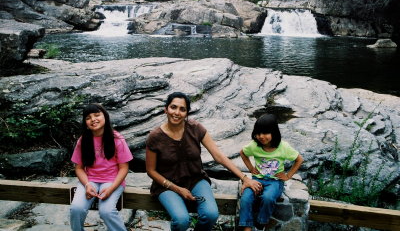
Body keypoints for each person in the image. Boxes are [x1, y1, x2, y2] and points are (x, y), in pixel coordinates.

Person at [146, 92, 262, 231]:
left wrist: (244, 178)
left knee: (211, 214)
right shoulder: (155, 136)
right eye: (173, 107)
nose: (177, 112)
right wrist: (177, 189)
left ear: (187, 112)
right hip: (167, 185)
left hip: (196, 180)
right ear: (166, 109)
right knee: (182, 220)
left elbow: (218, 155)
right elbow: (151, 170)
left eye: (182, 109)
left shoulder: (195, 128)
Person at [70, 103, 133, 231]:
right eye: (88, 117)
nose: (93, 119)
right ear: (85, 122)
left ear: (105, 116)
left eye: (97, 115)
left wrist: (111, 188)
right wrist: (87, 184)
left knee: (107, 212)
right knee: (76, 208)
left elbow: (124, 168)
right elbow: (79, 168)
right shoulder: (83, 141)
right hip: (90, 181)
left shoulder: (117, 139)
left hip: (112, 181)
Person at [238, 114, 304, 231]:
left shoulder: (283, 147)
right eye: (258, 133)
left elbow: (299, 159)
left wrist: (288, 175)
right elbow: (242, 153)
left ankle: (261, 223)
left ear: (274, 132)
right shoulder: (254, 146)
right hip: (257, 179)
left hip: (275, 181)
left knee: (268, 198)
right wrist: (251, 169)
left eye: (265, 133)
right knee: (246, 198)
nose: (261, 137)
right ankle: (247, 226)